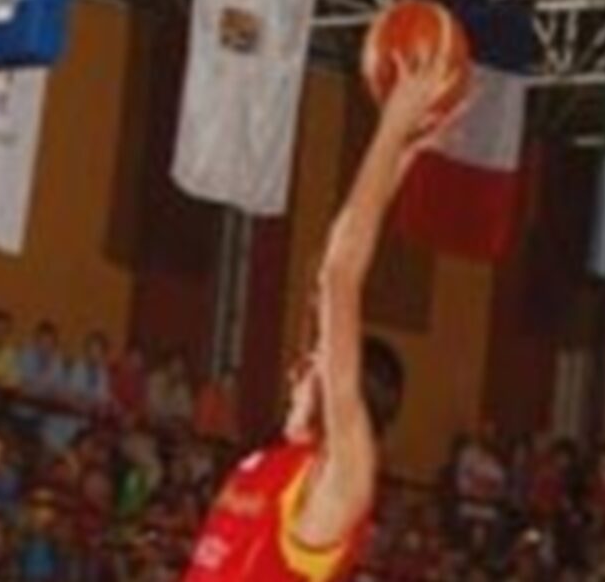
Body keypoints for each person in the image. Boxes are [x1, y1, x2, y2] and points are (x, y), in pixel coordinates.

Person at [181, 38, 458, 582]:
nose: (296, 369)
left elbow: (339, 276)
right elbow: (321, 269)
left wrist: (391, 126)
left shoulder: (345, 471)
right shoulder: (285, 462)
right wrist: (398, 160)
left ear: (339, 386)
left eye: (313, 366)